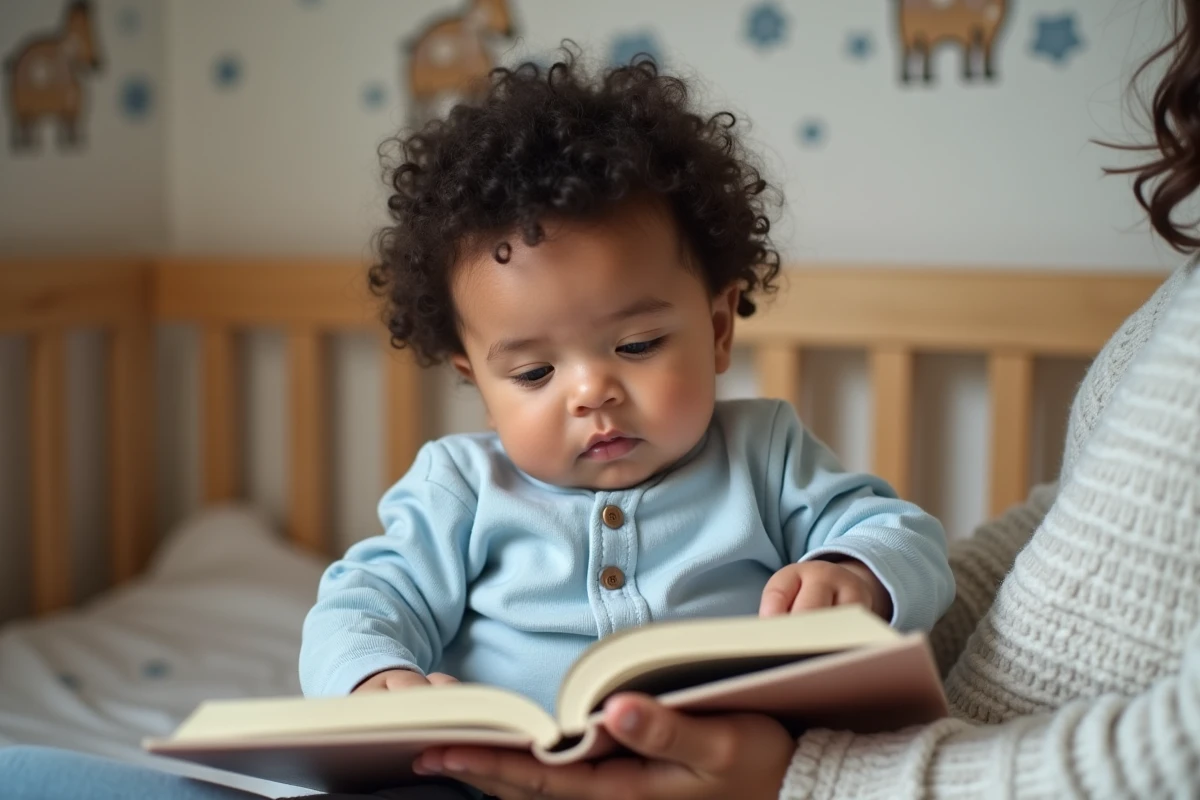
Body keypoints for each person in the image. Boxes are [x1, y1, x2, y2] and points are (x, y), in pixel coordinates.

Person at [6, 1, 1200, 794]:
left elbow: (908, 536)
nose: (593, 392)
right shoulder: (458, 485)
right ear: (469, 375)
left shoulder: (767, 450)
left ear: (722, 321)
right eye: (532, 371)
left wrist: (862, 573)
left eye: (638, 339)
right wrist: (383, 681)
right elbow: (355, 602)